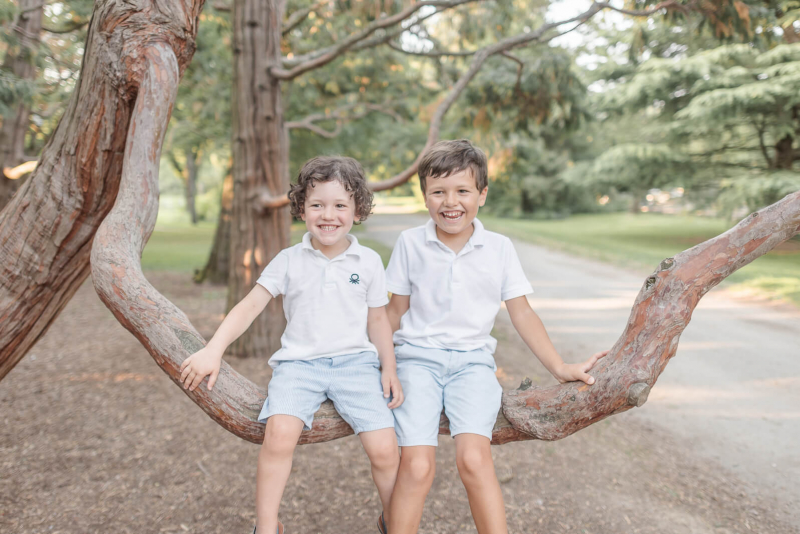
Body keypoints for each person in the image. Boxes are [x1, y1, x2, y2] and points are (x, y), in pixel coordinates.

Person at [385, 139, 607, 534]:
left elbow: (521, 312)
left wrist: (559, 366)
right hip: (416, 363)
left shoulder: (499, 249)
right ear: (425, 197)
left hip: (472, 366)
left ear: (482, 195)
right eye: (438, 192)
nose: (450, 202)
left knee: (473, 460)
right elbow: (393, 312)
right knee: (417, 466)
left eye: (462, 191)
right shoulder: (409, 244)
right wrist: (374, 360)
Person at [179, 156, 404, 534]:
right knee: (279, 435)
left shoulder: (368, 261)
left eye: (339, 205)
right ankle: (267, 526)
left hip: (356, 365)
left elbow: (378, 319)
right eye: (317, 204)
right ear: (301, 208)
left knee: (384, 447)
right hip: (299, 365)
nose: (327, 215)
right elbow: (250, 305)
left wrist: (389, 367)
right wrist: (212, 349)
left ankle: (396, 521)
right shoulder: (288, 260)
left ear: (357, 211)